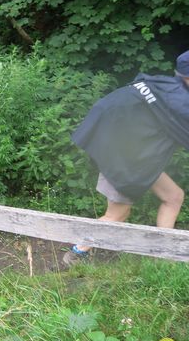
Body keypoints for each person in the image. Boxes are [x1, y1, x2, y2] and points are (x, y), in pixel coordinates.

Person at [63, 51, 189, 266]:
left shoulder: (164, 85)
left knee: (173, 196)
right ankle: (76, 254)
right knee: (117, 215)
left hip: (137, 157)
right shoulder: (180, 102)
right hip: (124, 160)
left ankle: (163, 254)